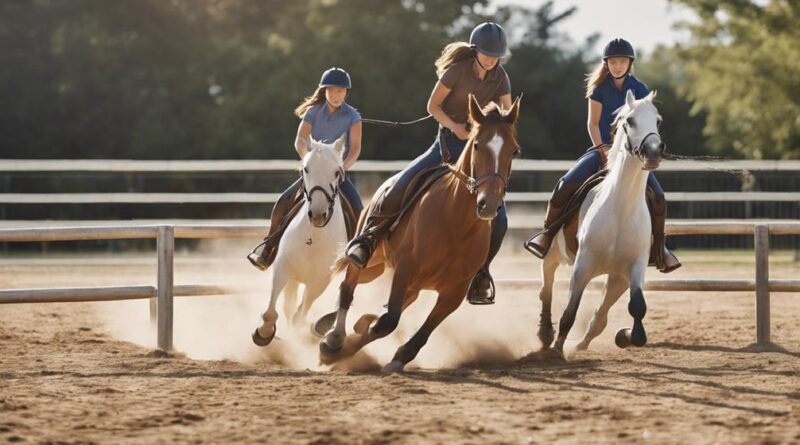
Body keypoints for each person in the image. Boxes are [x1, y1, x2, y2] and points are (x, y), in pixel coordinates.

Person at [344, 22, 513, 305]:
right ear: (475, 51)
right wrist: (457, 128)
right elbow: (432, 106)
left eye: (497, 55)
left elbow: (507, 115)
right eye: (487, 54)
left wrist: (497, 134)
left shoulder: (502, 78)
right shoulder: (457, 71)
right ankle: (367, 241)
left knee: (501, 220)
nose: (492, 59)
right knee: (400, 184)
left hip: (480, 151)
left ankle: (481, 274)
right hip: (447, 143)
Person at [525, 38, 681, 273]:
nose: (618, 66)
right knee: (565, 185)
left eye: (622, 62)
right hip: (602, 150)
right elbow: (593, 123)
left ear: (630, 64)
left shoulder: (640, 89)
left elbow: (645, 124)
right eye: (613, 62)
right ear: (606, 64)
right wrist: (602, 150)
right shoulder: (599, 89)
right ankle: (546, 236)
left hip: (631, 157)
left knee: (658, 197)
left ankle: (659, 249)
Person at [247, 67, 363, 271]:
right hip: (313, 175)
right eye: (332, 90)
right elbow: (300, 140)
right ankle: (267, 251)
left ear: (346, 92)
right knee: (282, 202)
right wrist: (307, 160)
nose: (336, 95)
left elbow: (355, 148)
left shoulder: (353, 116)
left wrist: (342, 167)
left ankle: (355, 256)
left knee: (358, 209)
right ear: (324, 90)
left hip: (337, 175)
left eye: (341, 91)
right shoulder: (312, 112)